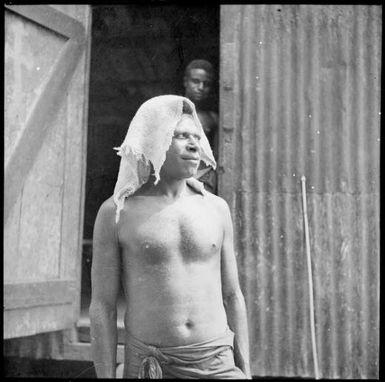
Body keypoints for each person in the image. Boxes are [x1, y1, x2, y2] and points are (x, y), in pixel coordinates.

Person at [90, 95, 251, 379]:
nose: (194, 144)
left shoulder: (216, 208)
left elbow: (232, 295)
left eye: (196, 136)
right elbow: (102, 306)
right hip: (150, 366)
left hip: (216, 363)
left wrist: (245, 370)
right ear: (154, 140)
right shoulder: (117, 212)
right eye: (180, 136)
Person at [183, 59, 218, 194]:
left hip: (204, 179)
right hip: (174, 181)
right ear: (186, 81)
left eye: (206, 84)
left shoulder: (212, 119)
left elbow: (217, 158)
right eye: (195, 81)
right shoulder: (171, 113)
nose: (201, 87)